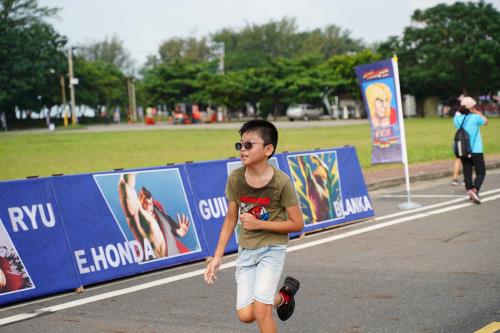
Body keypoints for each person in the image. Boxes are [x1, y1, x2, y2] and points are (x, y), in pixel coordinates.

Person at [204, 120, 304, 332]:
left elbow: (297, 224)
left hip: (271, 249)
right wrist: (217, 257)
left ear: (268, 149)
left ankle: (271, 302)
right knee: (245, 314)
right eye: (240, 145)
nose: (242, 149)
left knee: (261, 310)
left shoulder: (281, 182)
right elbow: (230, 219)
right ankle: (284, 296)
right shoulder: (236, 179)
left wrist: (259, 223)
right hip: (246, 252)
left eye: (249, 145)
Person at [118, 173, 191, 259]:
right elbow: (126, 187)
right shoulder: (137, 214)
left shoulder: (157, 211)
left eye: (150, 204)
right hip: (159, 264)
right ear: (138, 202)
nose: (149, 206)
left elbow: (168, 226)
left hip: (175, 256)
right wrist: (130, 172)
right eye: (145, 203)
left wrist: (178, 232)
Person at [454, 97, 488, 204]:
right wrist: (477, 111)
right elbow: (486, 122)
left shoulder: (457, 119)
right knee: (481, 172)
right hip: (476, 150)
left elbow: (457, 115)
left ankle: (469, 190)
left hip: (464, 150)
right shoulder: (475, 117)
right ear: (471, 107)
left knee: (467, 173)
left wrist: (460, 111)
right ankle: (475, 189)